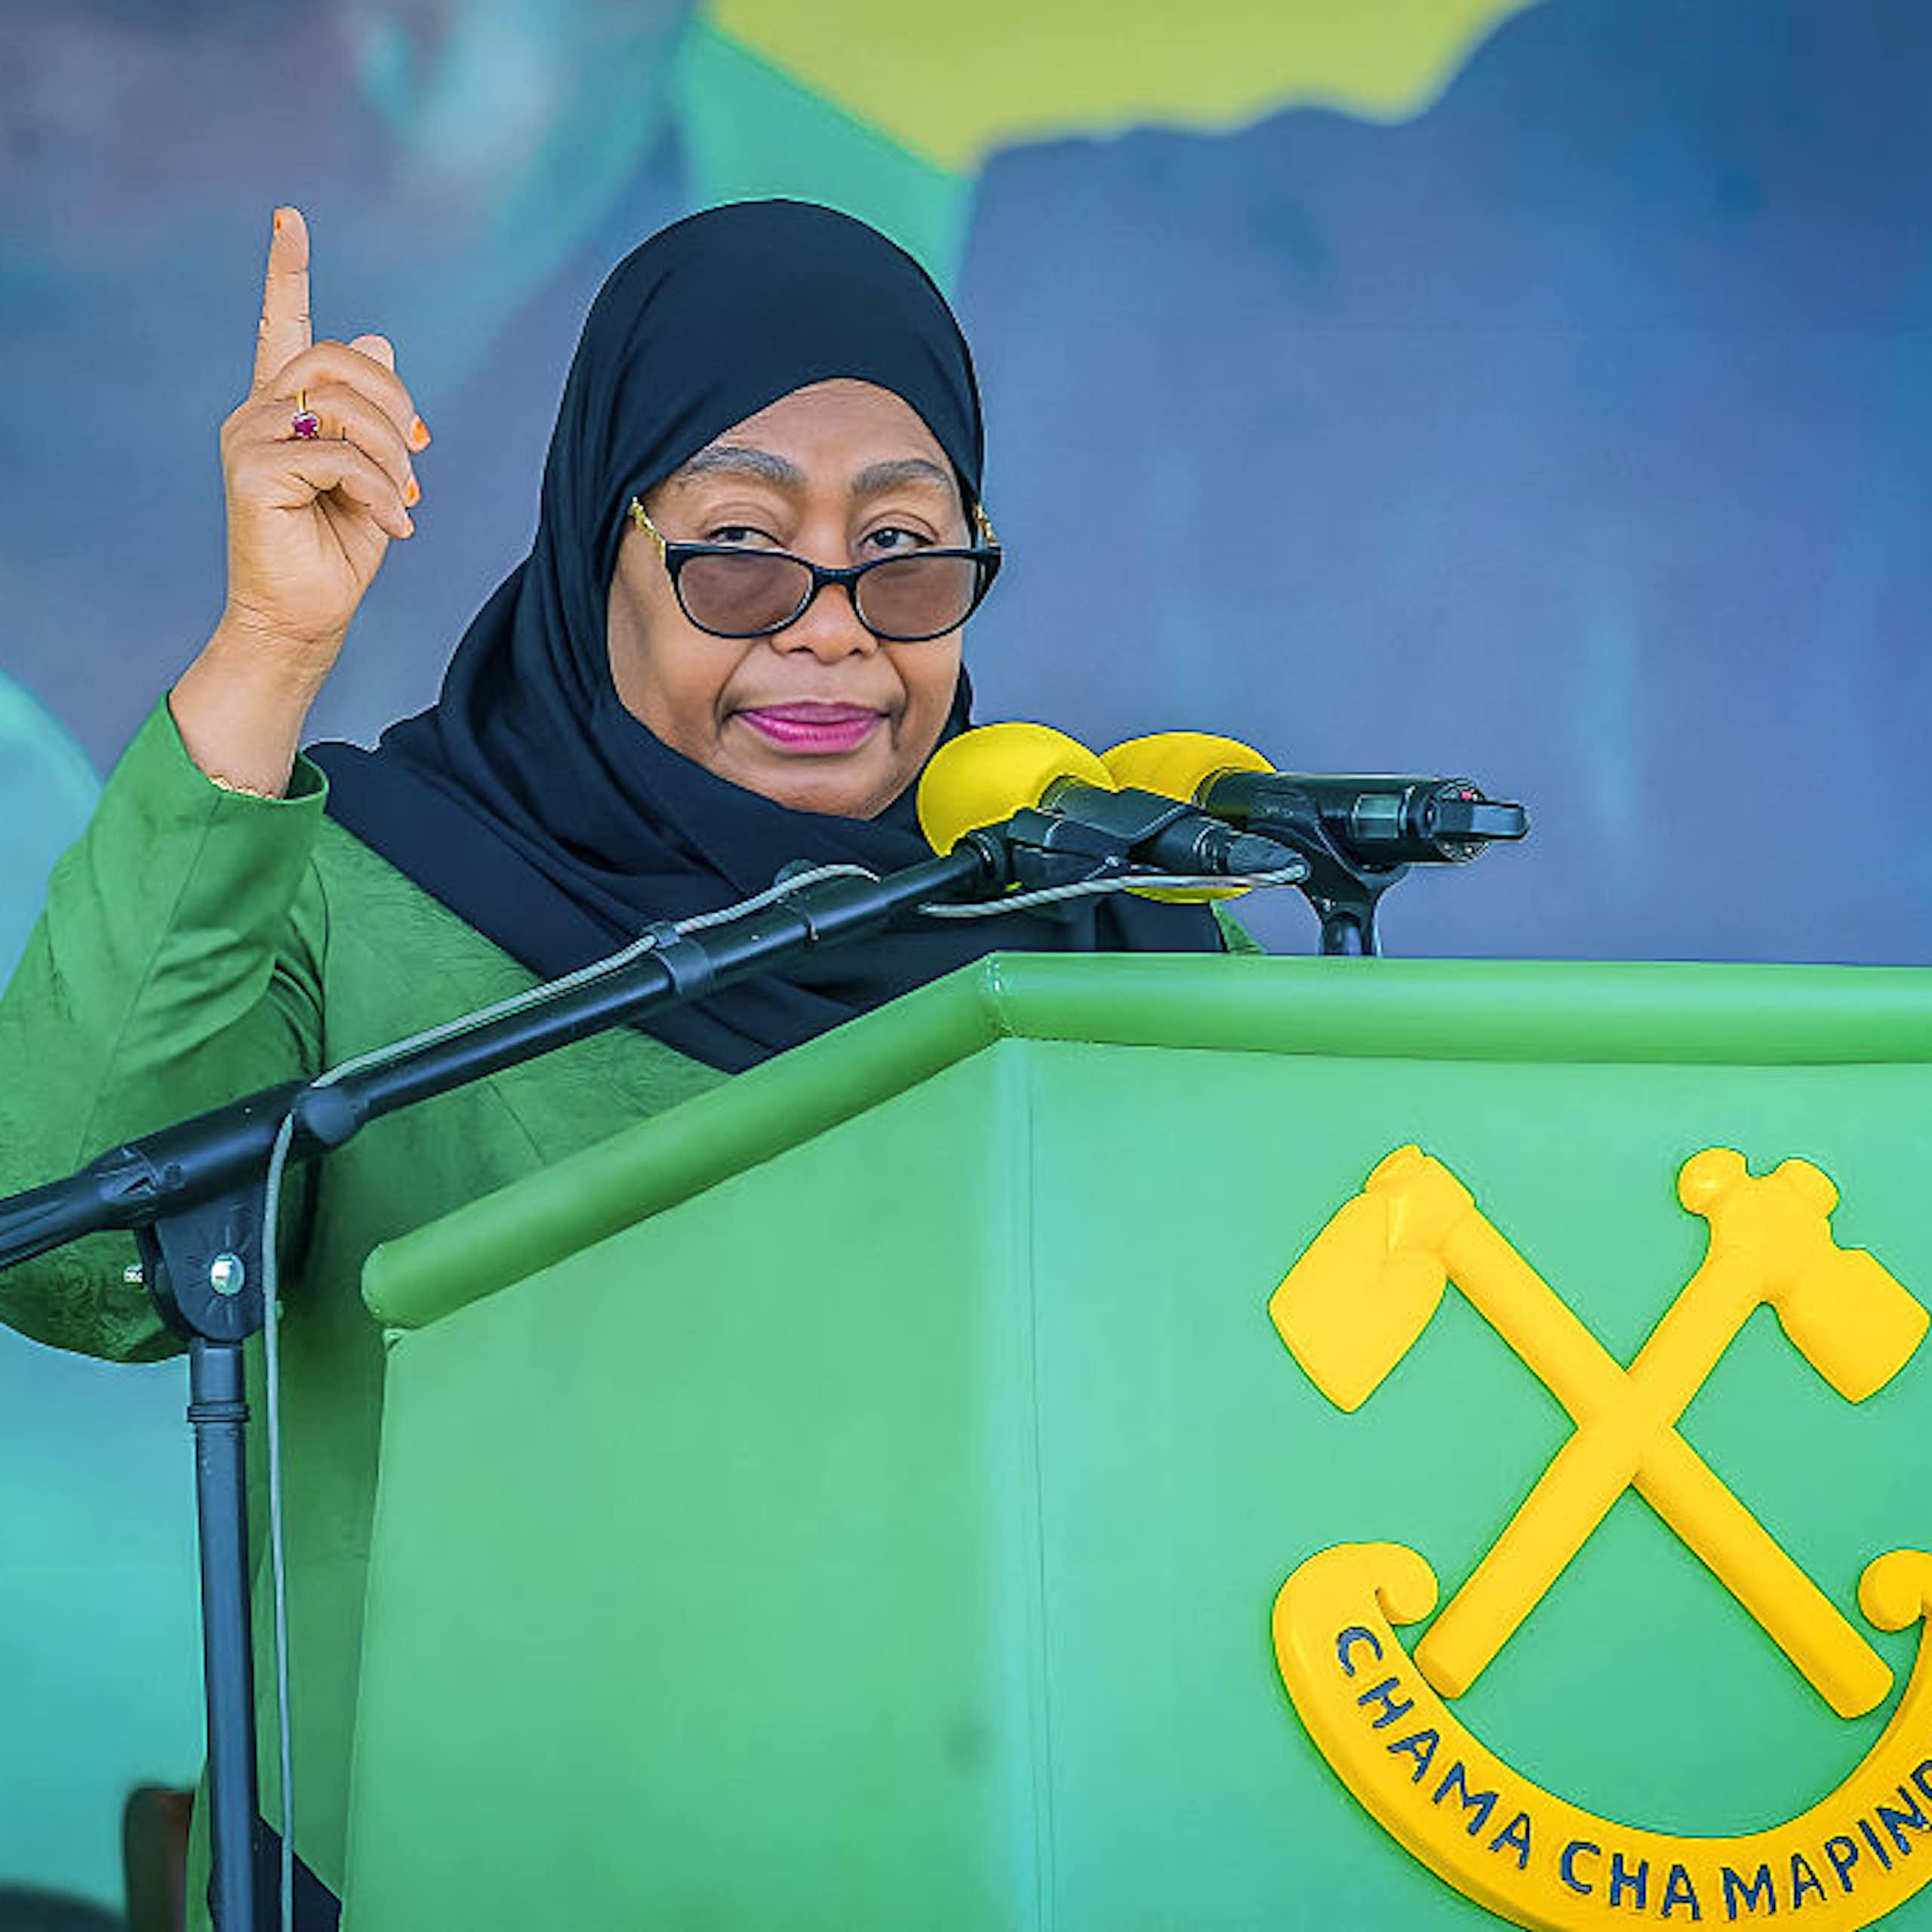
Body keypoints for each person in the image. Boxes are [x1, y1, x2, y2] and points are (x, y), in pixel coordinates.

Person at [0, 198, 1239, 1924]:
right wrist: (270, 648)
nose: (831, 628)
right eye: (738, 548)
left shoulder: (1102, 935)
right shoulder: (357, 882)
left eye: (903, 548)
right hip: (463, 1864)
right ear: (601, 548)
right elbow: (71, 1253)